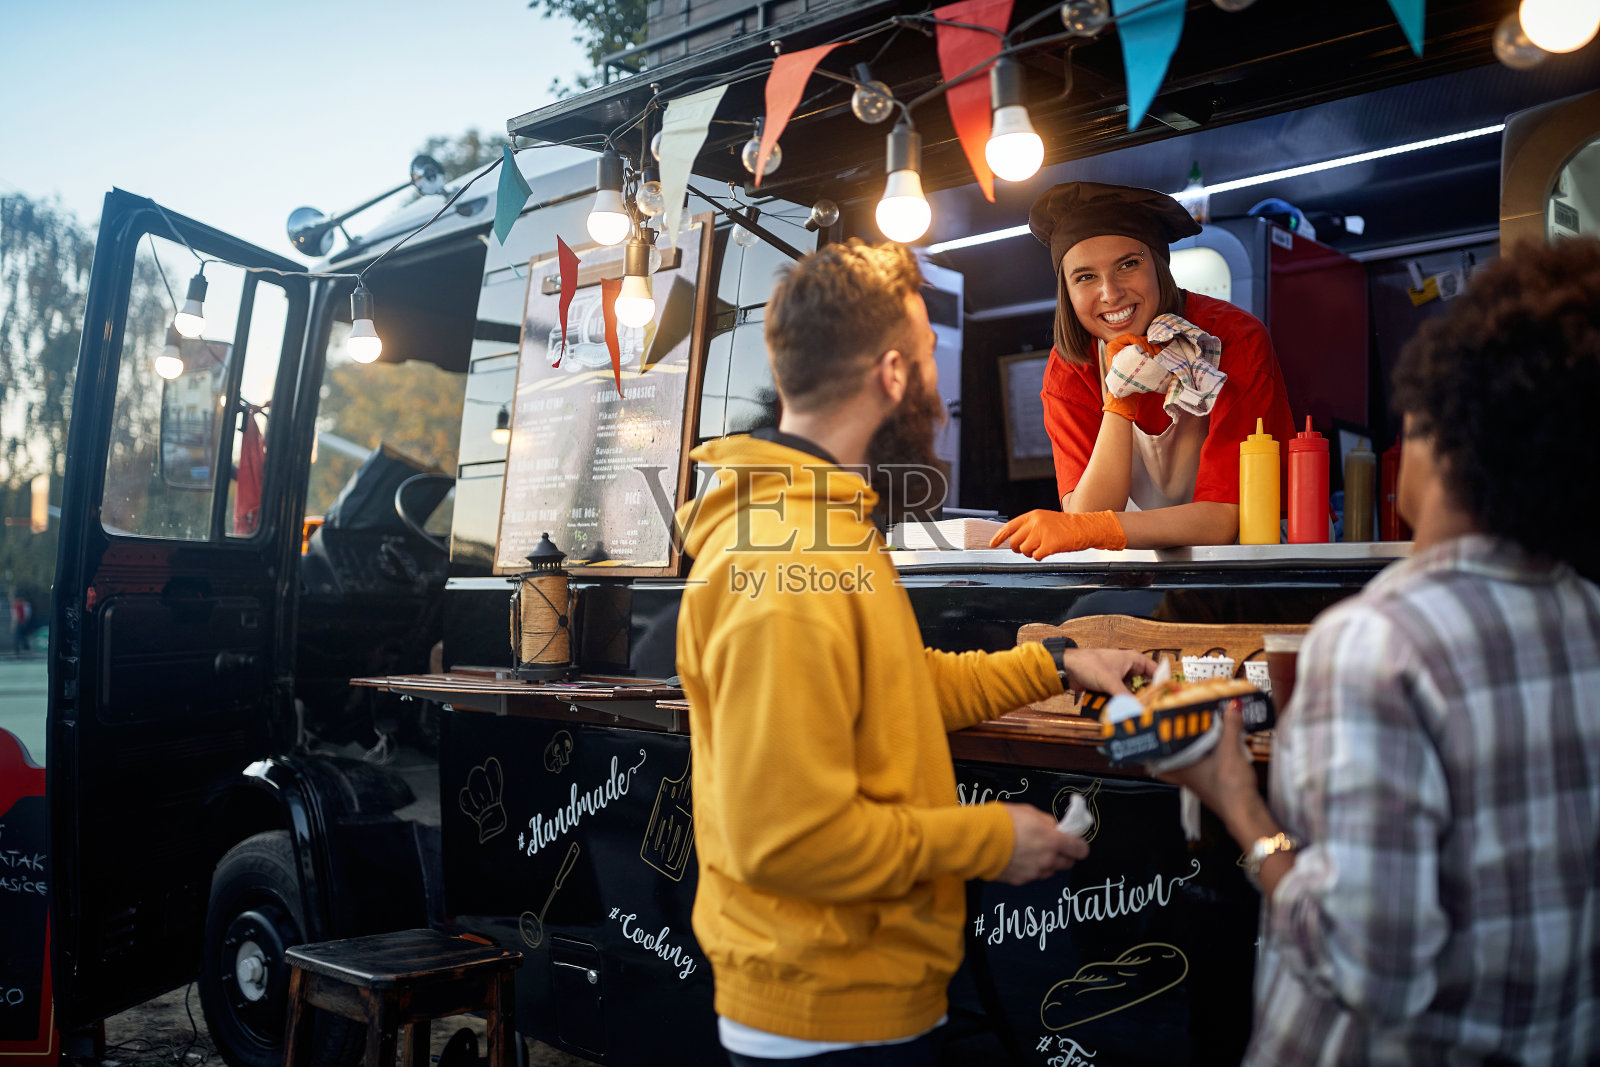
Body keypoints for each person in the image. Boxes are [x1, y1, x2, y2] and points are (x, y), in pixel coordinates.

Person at [675, 239, 1156, 1065]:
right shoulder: (785, 564)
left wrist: (1056, 660)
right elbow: (785, 839)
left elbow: (897, 685)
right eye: (930, 364)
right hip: (825, 1016)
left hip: (868, 996)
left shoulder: (824, 523)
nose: (936, 394)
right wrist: (988, 841)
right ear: (894, 377)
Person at [1160, 239, 1600, 1063]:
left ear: (1437, 424)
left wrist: (1237, 801)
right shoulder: (1587, 612)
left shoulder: (1377, 644)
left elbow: (1366, 964)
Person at [991, 182, 1296, 558]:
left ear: (1158, 266)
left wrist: (1093, 528)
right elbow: (1084, 517)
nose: (1110, 292)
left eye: (1128, 264)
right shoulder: (1072, 367)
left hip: (1258, 557)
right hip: (1150, 561)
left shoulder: (1233, 338)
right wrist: (1121, 397)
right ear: (1066, 292)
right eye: (1085, 277)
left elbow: (1224, 520)